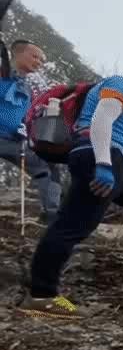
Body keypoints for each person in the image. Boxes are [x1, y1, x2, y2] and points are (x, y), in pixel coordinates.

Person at [17, 52, 123, 319]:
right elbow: (102, 119)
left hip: (111, 161)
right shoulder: (122, 85)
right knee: (72, 227)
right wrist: (103, 164)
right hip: (100, 158)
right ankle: (42, 296)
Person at [0, 39, 62, 221]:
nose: (38, 62)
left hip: (13, 141)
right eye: (34, 56)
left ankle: (51, 214)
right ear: (17, 53)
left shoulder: (28, 88)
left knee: (49, 167)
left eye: (42, 60)